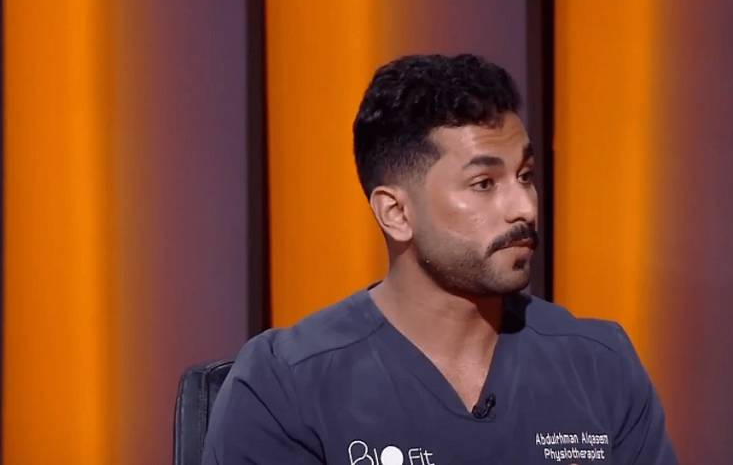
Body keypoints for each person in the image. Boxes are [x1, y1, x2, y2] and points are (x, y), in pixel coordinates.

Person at [202, 53, 678, 465]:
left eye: (526, 175)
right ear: (396, 213)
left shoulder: (600, 365)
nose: (525, 208)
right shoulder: (286, 384)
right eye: (484, 184)